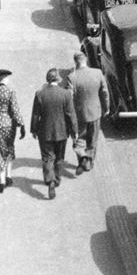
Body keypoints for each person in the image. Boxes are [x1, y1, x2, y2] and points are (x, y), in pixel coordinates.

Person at [30, 68, 78, 200]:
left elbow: (35, 114)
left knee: (47, 158)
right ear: (58, 79)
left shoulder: (40, 94)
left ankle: (49, 181)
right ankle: (56, 178)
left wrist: (33, 130)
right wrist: (74, 132)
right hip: (62, 132)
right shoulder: (66, 94)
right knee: (59, 157)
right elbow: (71, 115)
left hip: (44, 132)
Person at [67, 51, 109, 174]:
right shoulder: (97, 73)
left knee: (79, 140)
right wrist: (106, 108)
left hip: (79, 115)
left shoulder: (72, 77)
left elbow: (69, 97)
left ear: (75, 62)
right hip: (95, 112)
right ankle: (89, 161)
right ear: (86, 60)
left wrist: (69, 115)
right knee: (93, 140)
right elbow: (105, 93)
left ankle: (82, 158)